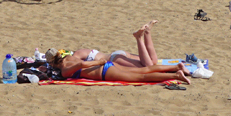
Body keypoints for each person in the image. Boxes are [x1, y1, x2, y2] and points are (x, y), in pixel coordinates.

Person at [46, 23, 192, 84]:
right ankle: (174, 68)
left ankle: (175, 75)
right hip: (109, 64)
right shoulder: (70, 56)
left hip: (104, 71)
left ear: (52, 63)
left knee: (141, 76)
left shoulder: (65, 71)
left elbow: (82, 64)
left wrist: (99, 62)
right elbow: (79, 62)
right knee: (145, 69)